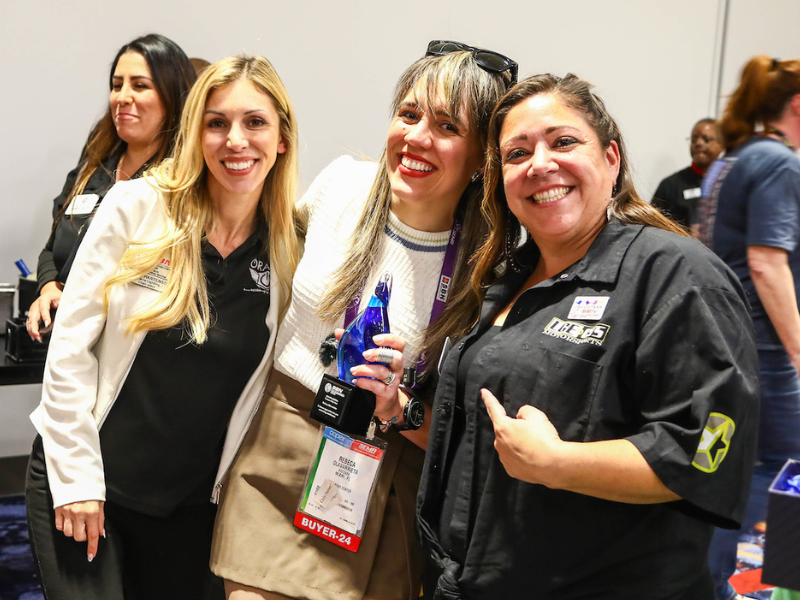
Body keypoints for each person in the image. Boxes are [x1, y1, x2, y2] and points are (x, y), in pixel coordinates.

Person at [416, 73, 760, 600]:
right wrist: (401, 407)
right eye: (517, 153)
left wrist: (559, 464)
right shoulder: (504, 278)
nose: (540, 164)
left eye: (563, 141)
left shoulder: (675, 273)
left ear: (611, 159)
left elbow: (708, 449)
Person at [211, 41, 516, 600]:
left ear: (482, 157)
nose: (417, 137)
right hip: (285, 439)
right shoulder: (343, 186)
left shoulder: (490, 263)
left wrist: (401, 407)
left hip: (389, 469)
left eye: (447, 125)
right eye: (408, 114)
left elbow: (467, 430)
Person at [25, 55, 300, 600]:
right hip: (90, 486)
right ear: (196, 132)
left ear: (282, 139)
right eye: (216, 123)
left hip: (190, 509)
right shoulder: (138, 207)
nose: (235, 141)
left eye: (255, 122)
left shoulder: (290, 248)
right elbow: (71, 349)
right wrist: (78, 481)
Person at [698, 56, 800, 600]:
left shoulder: (729, 162)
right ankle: (781, 588)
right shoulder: (779, 163)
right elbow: (766, 262)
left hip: (725, 349)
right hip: (766, 355)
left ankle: (712, 584)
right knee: (787, 470)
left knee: (724, 465)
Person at [27, 33, 196, 342]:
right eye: (117, 85)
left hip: (132, 345)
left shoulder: (185, 183)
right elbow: (53, 246)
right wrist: (49, 286)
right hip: (67, 338)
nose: (122, 97)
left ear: (173, 96)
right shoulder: (97, 159)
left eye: (140, 85)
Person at [652, 118, 723, 229]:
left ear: (722, 145)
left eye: (706, 139)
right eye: (694, 139)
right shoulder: (670, 185)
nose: (698, 143)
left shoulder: (732, 183)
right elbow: (653, 228)